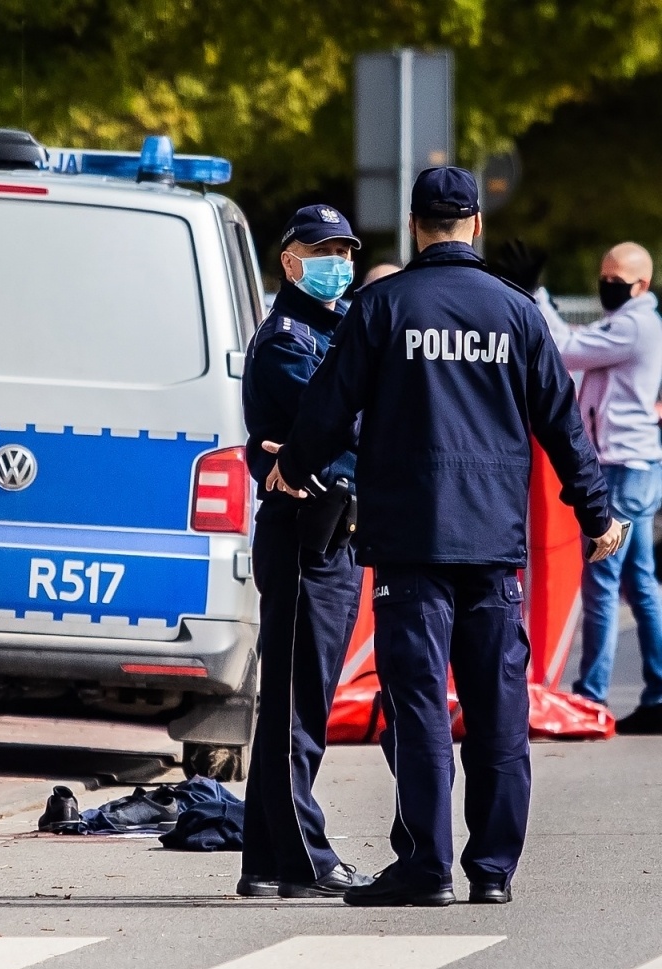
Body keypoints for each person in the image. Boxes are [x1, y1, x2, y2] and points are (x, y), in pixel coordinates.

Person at [263, 167, 623, 907]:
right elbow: (562, 424)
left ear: (415, 225)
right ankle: (492, 872)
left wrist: (291, 468)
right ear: (477, 225)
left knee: (420, 705)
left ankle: (426, 868)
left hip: (411, 543)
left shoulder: (384, 307)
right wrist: (598, 515)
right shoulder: (517, 313)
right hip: (494, 545)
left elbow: (328, 406)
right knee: (498, 710)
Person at [235, 204, 370, 900]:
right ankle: (303, 860)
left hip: (334, 533)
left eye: (345, 250)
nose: (337, 262)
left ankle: (263, 860)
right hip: (303, 534)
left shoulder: (338, 330)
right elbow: (338, 427)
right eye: (322, 250)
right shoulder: (290, 341)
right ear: (289, 261)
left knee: (298, 702)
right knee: (297, 709)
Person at [531, 243, 662, 734]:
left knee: (604, 582)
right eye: (603, 274)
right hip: (638, 463)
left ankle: (591, 697)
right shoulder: (636, 322)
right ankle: (658, 690)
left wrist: (540, 298)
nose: (607, 284)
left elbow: (567, 350)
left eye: (616, 278)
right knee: (641, 583)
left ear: (641, 285)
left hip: (624, 468)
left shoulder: (634, 324)